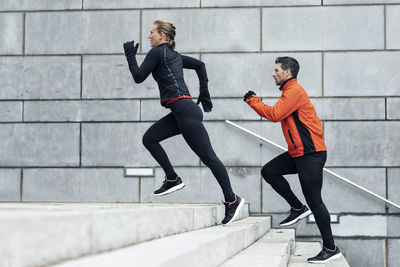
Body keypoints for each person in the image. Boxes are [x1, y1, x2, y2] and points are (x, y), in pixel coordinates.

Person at [123, 19, 244, 225]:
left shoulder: (157, 52)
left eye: (151, 32)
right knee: (149, 139)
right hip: (182, 111)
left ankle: (232, 199)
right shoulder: (173, 55)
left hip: (185, 111)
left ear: (162, 35)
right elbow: (200, 65)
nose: (149, 36)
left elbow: (138, 77)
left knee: (209, 157)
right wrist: (204, 92)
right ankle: (172, 178)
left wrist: (130, 56)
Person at [243, 57, 341, 263]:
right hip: (298, 153)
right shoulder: (289, 92)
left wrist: (253, 100)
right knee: (269, 171)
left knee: (315, 201)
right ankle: (297, 208)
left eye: (276, 70)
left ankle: (331, 248)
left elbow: (274, 114)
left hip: (311, 154)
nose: (273, 73)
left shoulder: (295, 91)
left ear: (287, 72)